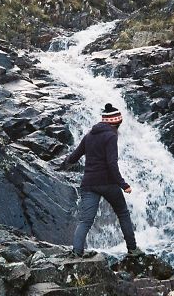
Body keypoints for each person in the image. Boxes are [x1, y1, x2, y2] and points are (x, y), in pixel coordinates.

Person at [60, 103, 142, 257]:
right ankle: (133, 250)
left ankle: (76, 253)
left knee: (85, 221)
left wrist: (63, 164)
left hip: (89, 184)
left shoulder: (89, 135)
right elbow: (111, 163)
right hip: (108, 183)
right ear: (116, 122)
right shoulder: (111, 136)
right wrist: (123, 185)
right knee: (123, 213)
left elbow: (75, 156)